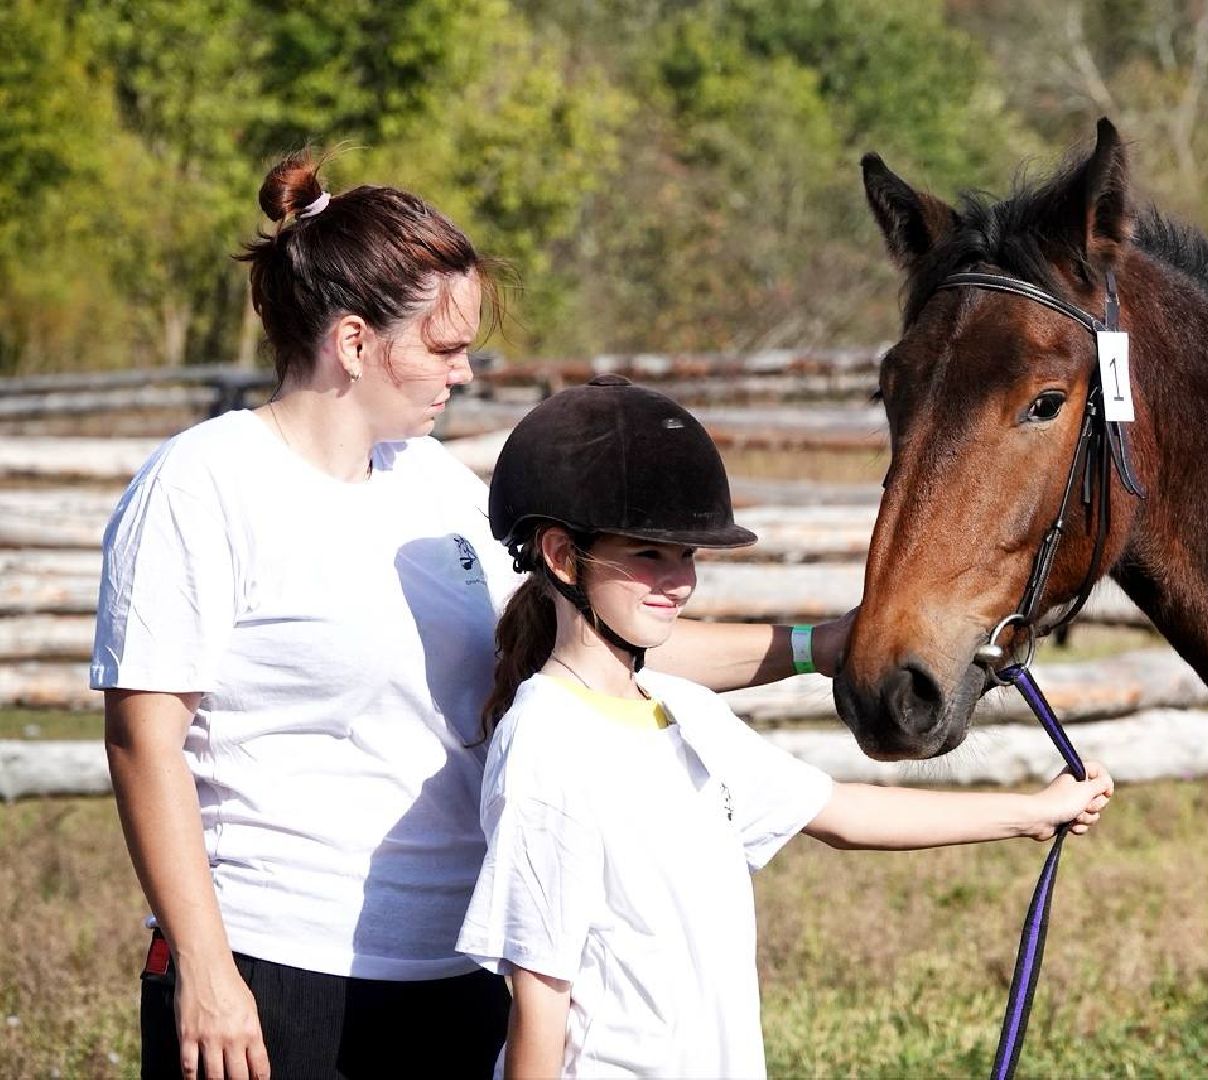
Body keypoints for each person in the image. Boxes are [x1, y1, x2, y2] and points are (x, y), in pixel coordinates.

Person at [92, 153, 850, 1080]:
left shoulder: (434, 485)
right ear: (355, 342)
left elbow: (598, 650)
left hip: (456, 971)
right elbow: (143, 742)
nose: (464, 371)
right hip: (276, 968)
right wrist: (208, 972)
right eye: (445, 346)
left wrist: (820, 647)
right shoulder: (203, 484)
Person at [456, 377, 1116, 1078]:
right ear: (562, 557)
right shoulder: (546, 747)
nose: (678, 583)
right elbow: (540, 1000)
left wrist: (1034, 812)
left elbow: (843, 813)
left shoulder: (682, 712)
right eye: (649, 554)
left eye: (687, 557)